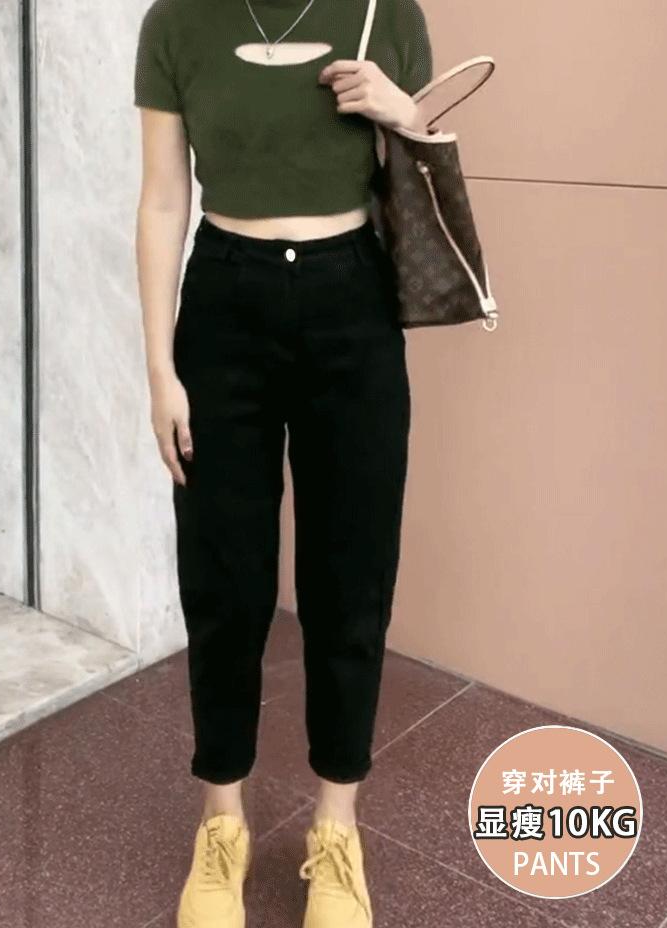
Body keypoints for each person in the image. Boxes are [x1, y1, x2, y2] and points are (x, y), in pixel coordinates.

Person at [133, 0, 432, 924]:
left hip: (354, 300)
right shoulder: (176, 22)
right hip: (224, 302)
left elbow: (425, 162)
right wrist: (159, 369)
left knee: (352, 575)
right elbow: (162, 197)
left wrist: (400, 110)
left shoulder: (388, 10)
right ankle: (221, 824)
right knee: (223, 577)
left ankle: (336, 831)